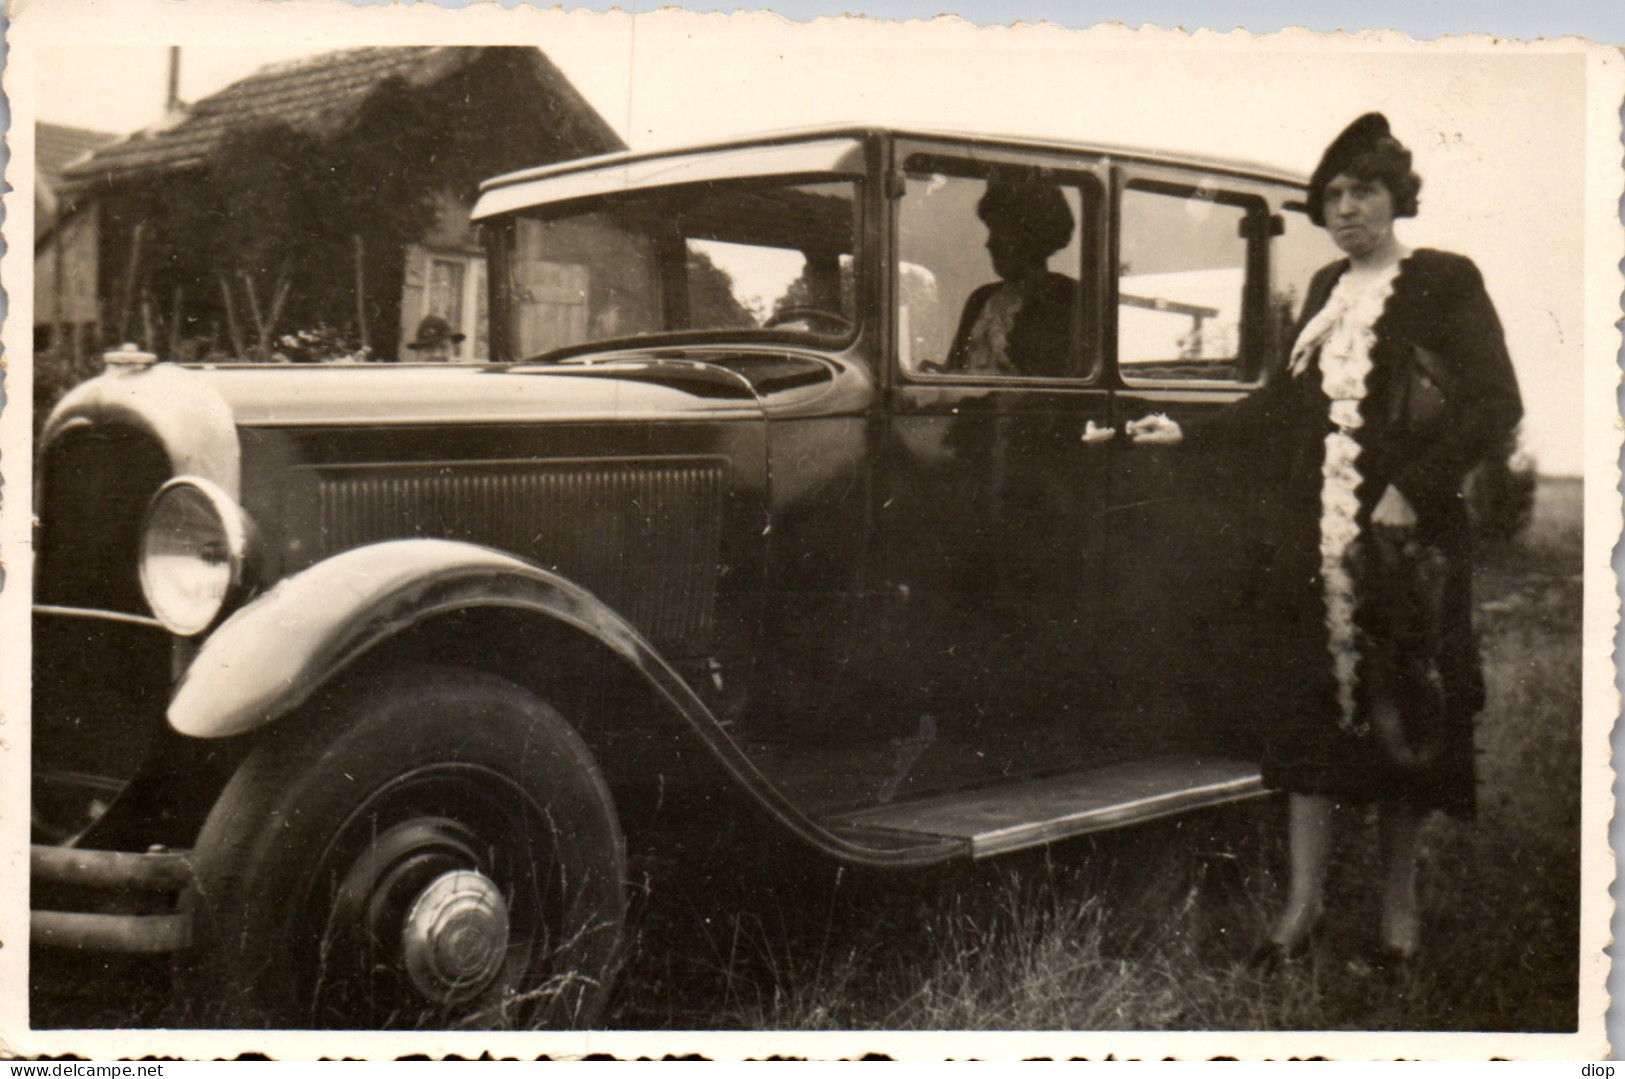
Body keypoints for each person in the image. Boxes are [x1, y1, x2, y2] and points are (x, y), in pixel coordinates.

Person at [1127, 113, 1523, 967]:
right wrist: (1187, 433)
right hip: (1318, 536)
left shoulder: (1444, 280)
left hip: (1403, 542)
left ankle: (1398, 916)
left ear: (1396, 196)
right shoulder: (1322, 291)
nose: (1345, 209)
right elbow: (1286, 404)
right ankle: (1299, 909)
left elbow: (1495, 404)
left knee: (1402, 709)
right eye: (1331, 195)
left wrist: (1410, 491)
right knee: (1309, 712)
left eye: (1363, 191)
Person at [941, 172, 1080, 377]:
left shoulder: (1067, 299)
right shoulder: (981, 299)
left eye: (999, 231)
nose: (989, 244)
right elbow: (951, 371)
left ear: (1030, 236)